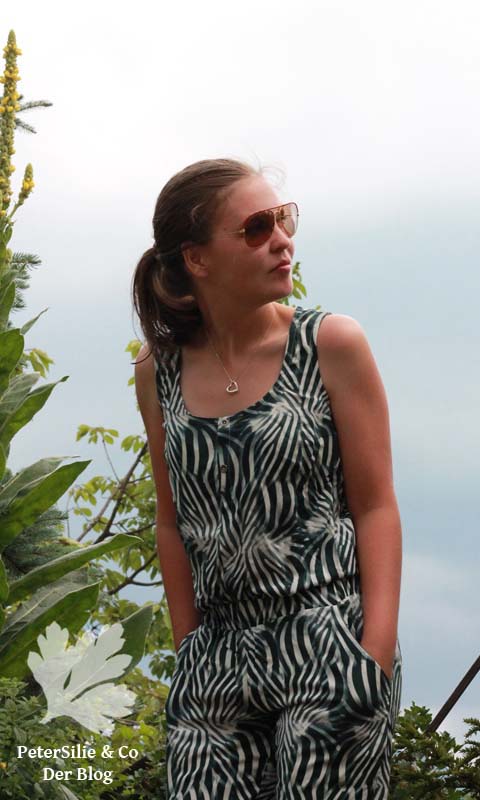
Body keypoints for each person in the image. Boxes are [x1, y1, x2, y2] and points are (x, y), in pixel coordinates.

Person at [132, 157, 403, 799]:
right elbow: (171, 522)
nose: (282, 240)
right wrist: (188, 650)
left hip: (329, 642)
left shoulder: (330, 344)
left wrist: (374, 653)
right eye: (257, 228)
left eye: (283, 220)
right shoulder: (156, 372)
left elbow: (376, 506)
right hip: (216, 661)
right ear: (197, 258)